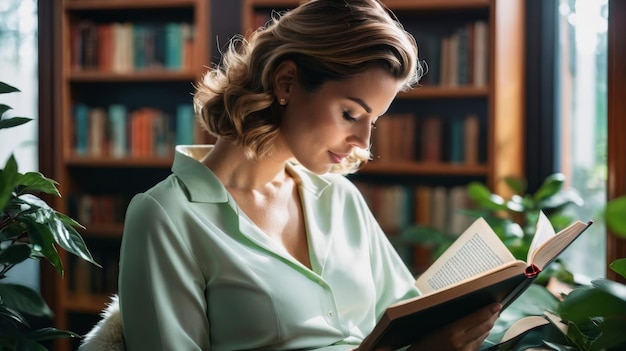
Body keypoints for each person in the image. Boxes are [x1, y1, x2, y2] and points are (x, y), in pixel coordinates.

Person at [116, 0, 501, 350]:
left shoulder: (340, 197)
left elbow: (407, 318)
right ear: (286, 82)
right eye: (350, 114)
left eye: (373, 121)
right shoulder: (167, 215)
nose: (362, 140)